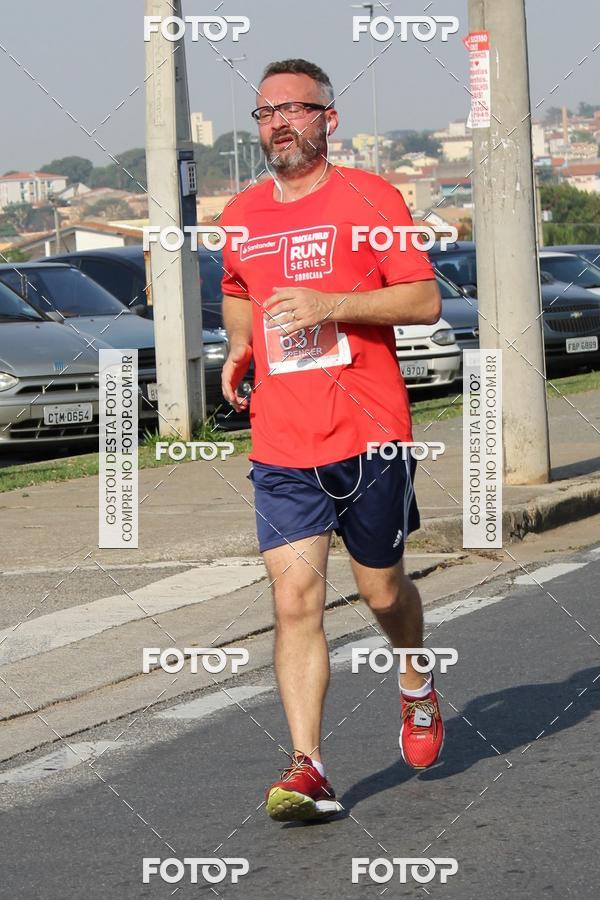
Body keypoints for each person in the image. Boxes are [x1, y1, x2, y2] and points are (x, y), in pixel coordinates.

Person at [220, 58, 444, 823]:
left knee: (381, 588)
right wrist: (238, 349)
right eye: (265, 113)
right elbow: (238, 292)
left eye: (295, 108)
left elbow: (423, 300)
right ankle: (308, 766)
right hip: (282, 442)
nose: (279, 123)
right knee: (295, 599)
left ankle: (415, 672)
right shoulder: (241, 214)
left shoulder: (370, 198)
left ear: (328, 118)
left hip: (369, 431)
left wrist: (331, 303)